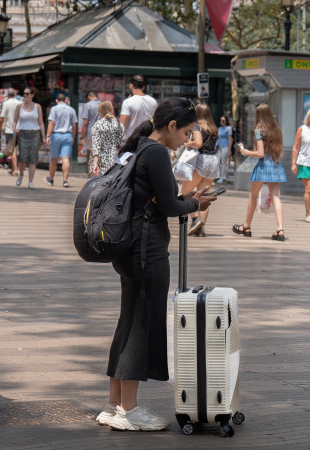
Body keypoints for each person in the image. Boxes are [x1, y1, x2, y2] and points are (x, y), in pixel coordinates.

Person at [98, 97, 216, 432]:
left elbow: (155, 200)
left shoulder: (138, 149)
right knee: (140, 326)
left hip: (128, 248)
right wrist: (194, 202)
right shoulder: (156, 153)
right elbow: (167, 206)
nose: (186, 139)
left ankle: (114, 405)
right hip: (147, 250)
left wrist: (189, 201)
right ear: (172, 125)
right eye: (187, 132)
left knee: (128, 321)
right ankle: (129, 410)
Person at [232, 103, 287, 241]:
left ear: (258, 115)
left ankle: (246, 226)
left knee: (253, 196)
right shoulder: (277, 129)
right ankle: (280, 229)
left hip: (263, 166)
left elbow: (260, 153)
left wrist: (245, 151)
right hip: (275, 164)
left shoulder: (258, 130)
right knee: (276, 197)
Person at [180, 103, 221, 238]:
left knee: (186, 192)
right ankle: (201, 228)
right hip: (213, 161)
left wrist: (187, 143)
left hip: (201, 160)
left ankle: (195, 220)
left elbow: (198, 143)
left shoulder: (197, 126)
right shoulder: (214, 128)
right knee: (204, 196)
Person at [12, 87, 45, 189]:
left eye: (27, 94)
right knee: (22, 158)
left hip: (35, 133)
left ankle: (30, 182)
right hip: (22, 134)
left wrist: (43, 136)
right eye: (24, 93)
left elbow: (41, 123)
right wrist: (14, 128)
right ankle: (21, 174)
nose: (25, 95)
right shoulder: (19, 106)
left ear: (32, 95)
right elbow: (14, 121)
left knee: (33, 158)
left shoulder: (37, 107)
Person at [46, 92, 78, 187]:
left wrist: (47, 135)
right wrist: (72, 136)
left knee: (53, 159)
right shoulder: (71, 110)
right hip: (67, 135)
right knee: (65, 158)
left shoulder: (54, 109)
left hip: (56, 135)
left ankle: (51, 179)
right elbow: (74, 125)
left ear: (56, 100)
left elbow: (51, 123)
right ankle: (65, 180)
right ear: (65, 100)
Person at [90, 100, 124, 177]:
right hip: (115, 160)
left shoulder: (97, 126)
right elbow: (122, 142)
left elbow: (96, 145)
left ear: (99, 111)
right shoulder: (119, 125)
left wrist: (95, 163)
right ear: (111, 109)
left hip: (101, 161)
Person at [0, 88, 21, 175]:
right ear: (15, 95)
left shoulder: (6, 104)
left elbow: (2, 118)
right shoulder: (20, 103)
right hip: (19, 129)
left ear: (8, 95)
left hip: (10, 129)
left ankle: (15, 170)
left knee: (13, 150)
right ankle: (13, 168)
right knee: (14, 149)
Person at [79, 91, 101, 175]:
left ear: (88, 97)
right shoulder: (102, 104)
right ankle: (98, 175)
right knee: (99, 156)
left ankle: (89, 176)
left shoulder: (87, 105)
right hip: (101, 133)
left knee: (89, 156)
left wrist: (82, 137)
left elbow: (85, 122)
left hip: (90, 134)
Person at [215, 115, 233, 184]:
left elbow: (230, 139)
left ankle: (223, 177)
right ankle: (220, 176)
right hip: (219, 146)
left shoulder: (228, 128)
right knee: (217, 161)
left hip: (225, 146)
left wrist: (229, 149)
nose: (221, 122)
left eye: (223, 120)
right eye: (221, 120)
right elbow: (218, 138)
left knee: (223, 162)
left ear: (226, 121)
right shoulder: (219, 128)